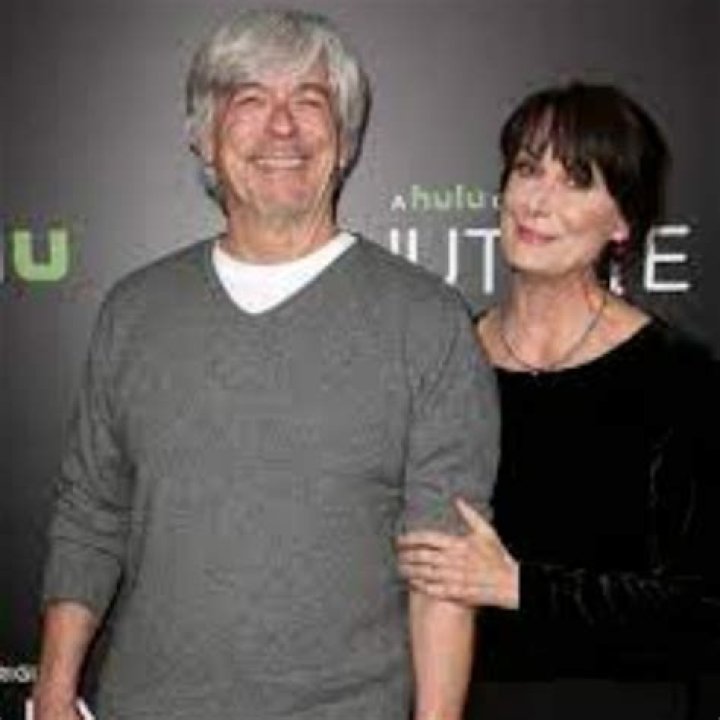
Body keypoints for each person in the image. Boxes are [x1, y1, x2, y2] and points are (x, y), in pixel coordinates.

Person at [32, 10, 499, 720]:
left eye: (309, 101)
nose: (283, 127)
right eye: (250, 99)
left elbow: (443, 570)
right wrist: (53, 688)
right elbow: (92, 513)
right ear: (205, 138)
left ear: (344, 141)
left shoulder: (427, 321)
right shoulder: (134, 311)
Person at [398, 82, 720, 719]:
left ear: (622, 222)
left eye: (576, 180)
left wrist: (518, 585)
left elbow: (705, 607)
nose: (537, 202)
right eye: (527, 169)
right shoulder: (445, 363)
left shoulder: (679, 378)